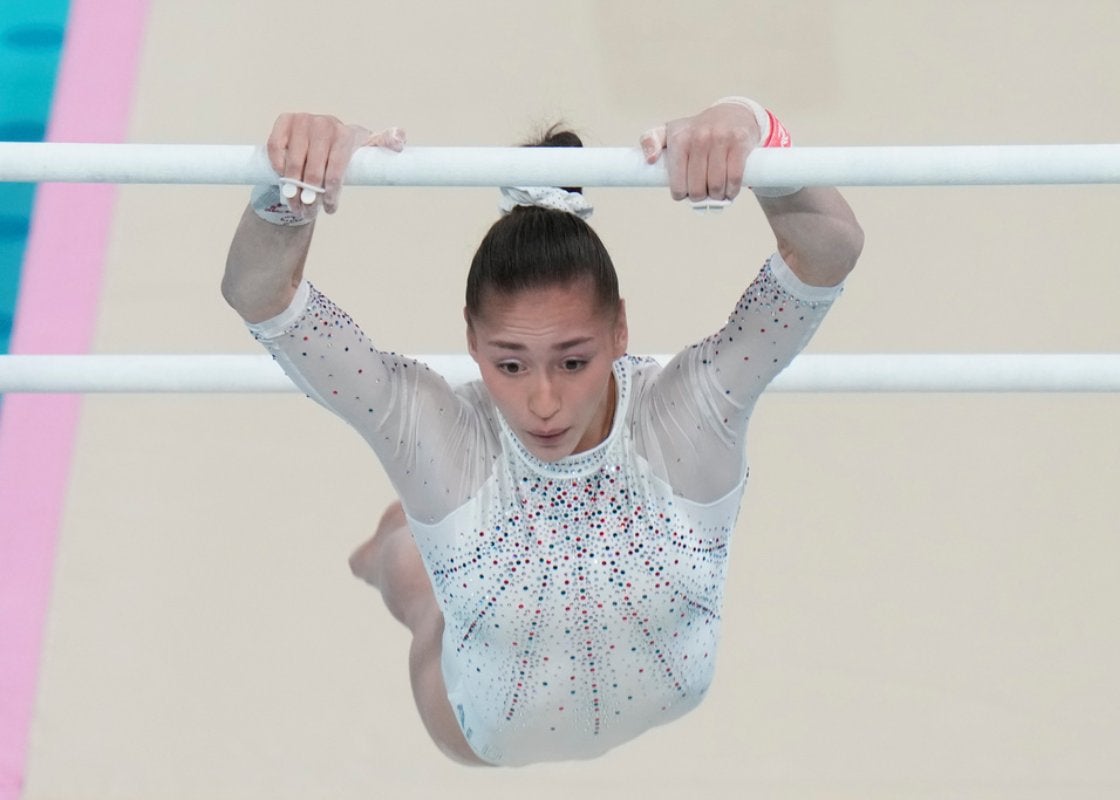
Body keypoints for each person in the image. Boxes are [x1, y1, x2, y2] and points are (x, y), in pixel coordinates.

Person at [221, 97, 863, 767]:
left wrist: (750, 125)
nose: (544, 401)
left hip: (637, 679)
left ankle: (409, 540)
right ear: (470, 340)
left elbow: (831, 247)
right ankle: (393, 551)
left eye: (574, 360)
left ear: (621, 328)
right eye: (509, 364)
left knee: (421, 556)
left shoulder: (690, 412)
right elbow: (260, 292)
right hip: (480, 724)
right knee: (408, 579)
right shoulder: (435, 431)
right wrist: (292, 182)